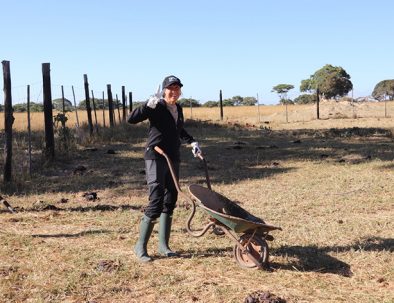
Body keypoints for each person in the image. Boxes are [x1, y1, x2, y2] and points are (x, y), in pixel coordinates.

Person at [127, 75, 202, 262]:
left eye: (177, 89)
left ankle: (163, 245)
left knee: (171, 198)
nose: (174, 92)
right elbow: (131, 119)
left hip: (172, 157)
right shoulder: (156, 106)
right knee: (156, 198)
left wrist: (192, 142)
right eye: (170, 88)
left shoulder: (178, 108)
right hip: (155, 155)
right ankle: (140, 247)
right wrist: (146, 105)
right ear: (163, 90)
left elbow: (179, 130)